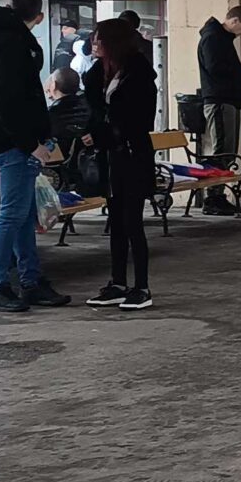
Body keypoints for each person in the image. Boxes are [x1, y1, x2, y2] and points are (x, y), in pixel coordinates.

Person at [0, 0, 69, 313]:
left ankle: (30, 280)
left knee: (23, 215)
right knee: (12, 214)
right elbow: (9, 100)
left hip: (4, 138)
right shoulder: (13, 43)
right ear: (38, 17)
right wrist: (32, 144)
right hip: (13, 142)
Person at [84, 16, 157, 310]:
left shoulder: (139, 75)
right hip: (110, 157)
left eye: (98, 39)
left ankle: (141, 286)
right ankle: (117, 282)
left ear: (112, 42)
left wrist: (102, 133)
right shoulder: (96, 74)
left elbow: (139, 121)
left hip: (132, 154)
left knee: (132, 222)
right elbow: (93, 111)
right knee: (115, 222)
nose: (94, 44)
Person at [195, 5, 241, 215]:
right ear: (234, 21)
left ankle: (218, 195)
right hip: (219, 100)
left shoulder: (221, 39)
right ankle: (213, 198)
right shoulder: (213, 38)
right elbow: (216, 68)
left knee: (227, 149)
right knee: (222, 148)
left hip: (227, 99)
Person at [45, 65, 93, 157]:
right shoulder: (88, 106)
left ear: (54, 85)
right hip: (85, 160)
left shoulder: (52, 114)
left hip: (59, 162)